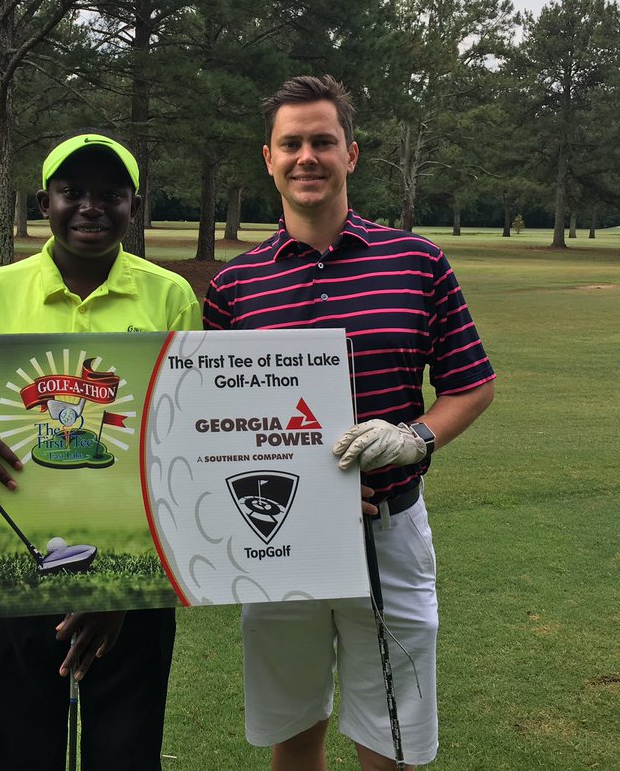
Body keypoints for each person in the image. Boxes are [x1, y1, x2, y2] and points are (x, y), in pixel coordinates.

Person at [202, 75, 496, 770]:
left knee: (390, 733)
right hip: (278, 539)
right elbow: (218, 428)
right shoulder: (233, 287)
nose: (308, 156)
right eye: (292, 144)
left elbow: (472, 384)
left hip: (388, 531)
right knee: (293, 725)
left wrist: (417, 436)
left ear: (352, 154)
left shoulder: (417, 262)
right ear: (268, 158)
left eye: (323, 142)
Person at [0, 132, 202, 771]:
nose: (91, 207)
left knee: (125, 744)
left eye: (111, 194)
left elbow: (187, 442)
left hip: (140, 546)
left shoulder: (170, 296)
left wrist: (121, 587)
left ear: (135, 205)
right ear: (44, 202)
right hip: (23, 536)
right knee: (22, 736)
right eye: (73, 192)